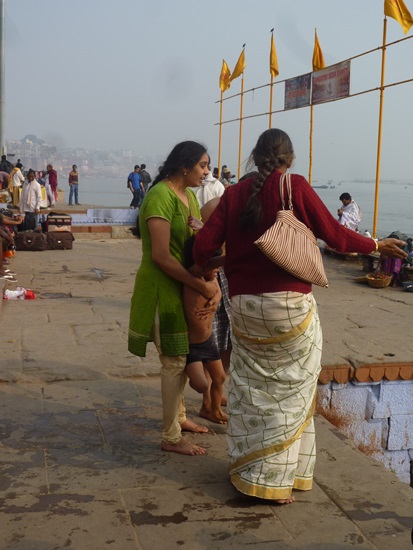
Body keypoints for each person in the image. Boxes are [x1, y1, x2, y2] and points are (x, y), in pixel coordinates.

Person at [193, 128, 407, 503]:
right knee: (292, 392)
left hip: (243, 307)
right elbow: (337, 237)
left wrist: (222, 264)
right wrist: (376, 243)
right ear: (288, 159)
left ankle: (250, 472)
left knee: (252, 390)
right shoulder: (295, 187)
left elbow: (202, 248)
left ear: (255, 158)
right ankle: (278, 480)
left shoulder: (233, 194)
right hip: (290, 308)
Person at [128, 141, 219, 456]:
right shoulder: (159, 197)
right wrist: (200, 284)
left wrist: (211, 278)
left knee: (178, 358)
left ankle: (180, 419)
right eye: (203, 165)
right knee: (174, 362)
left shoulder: (190, 197)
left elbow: (199, 243)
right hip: (160, 290)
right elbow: (161, 257)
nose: (206, 172)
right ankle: (170, 437)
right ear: (185, 165)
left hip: (181, 288)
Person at [182, 236, 227, 424]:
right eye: (214, 267)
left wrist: (217, 297)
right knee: (200, 384)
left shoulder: (212, 278)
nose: (217, 272)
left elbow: (217, 288)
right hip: (192, 345)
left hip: (208, 341)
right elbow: (201, 266)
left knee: (220, 378)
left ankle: (213, 410)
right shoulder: (194, 277)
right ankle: (202, 395)